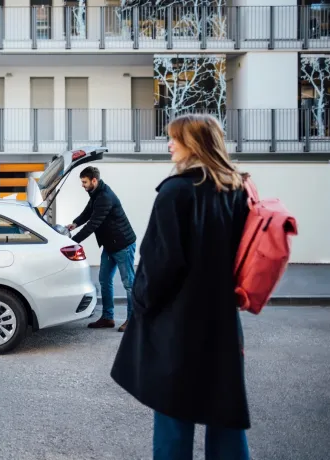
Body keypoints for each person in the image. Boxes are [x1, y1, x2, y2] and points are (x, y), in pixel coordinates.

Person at [110, 113, 251, 460]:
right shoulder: (236, 190)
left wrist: (140, 303)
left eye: (176, 138)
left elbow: (161, 264)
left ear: (195, 144)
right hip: (220, 320)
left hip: (178, 323)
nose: (169, 144)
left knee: (173, 414)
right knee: (224, 413)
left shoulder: (175, 192)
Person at [66, 166, 136, 332]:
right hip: (110, 245)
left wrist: (73, 242)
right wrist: (74, 224)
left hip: (123, 245)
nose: (82, 185)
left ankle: (133, 320)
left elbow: (93, 224)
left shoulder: (105, 197)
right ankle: (107, 317)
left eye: (84, 182)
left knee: (129, 284)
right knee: (104, 280)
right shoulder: (96, 193)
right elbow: (88, 212)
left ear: (94, 180)